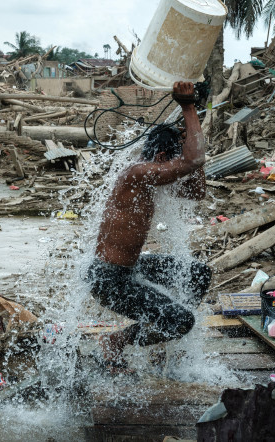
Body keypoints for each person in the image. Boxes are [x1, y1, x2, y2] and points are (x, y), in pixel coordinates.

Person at [85, 81, 212, 373]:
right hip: (109, 280)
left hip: (131, 268)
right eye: (175, 160)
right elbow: (193, 158)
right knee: (182, 321)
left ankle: (165, 330)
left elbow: (195, 192)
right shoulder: (136, 174)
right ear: (162, 159)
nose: (179, 166)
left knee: (198, 274)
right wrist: (188, 106)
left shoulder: (150, 179)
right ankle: (116, 341)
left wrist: (193, 157)